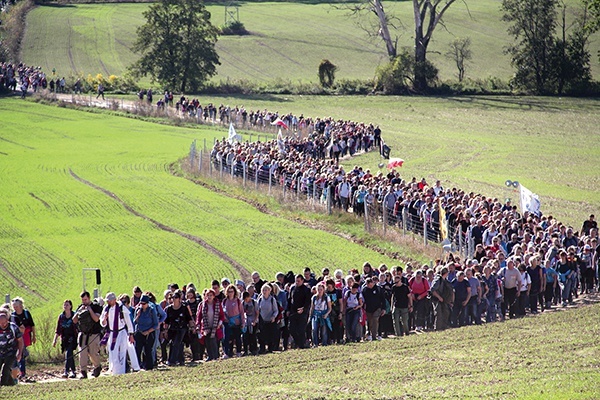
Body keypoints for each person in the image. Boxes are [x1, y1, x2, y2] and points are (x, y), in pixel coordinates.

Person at [100, 292, 135, 375]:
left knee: (122, 351)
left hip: (121, 332)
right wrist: (105, 318)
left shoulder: (121, 308)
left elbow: (128, 322)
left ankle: (121, 370)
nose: (108, 302)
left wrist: (131, 334)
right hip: (111, 332)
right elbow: (102, 323)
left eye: (109, 301)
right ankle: (114, 370)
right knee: (112, 351)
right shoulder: (106, 309)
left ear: (114, 300)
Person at [73, 291, 103, 379]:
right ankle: (83, 372)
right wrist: (79, 312)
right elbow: (74, 320)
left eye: (85, 299)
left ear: (89, 298)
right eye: (82, 300)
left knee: (93, 353)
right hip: (83, 334)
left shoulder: (96, 307)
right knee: (82, 354)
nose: (84, 301)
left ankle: (97, 366)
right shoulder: (80, 307)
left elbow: (97, 319)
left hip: (93, 334)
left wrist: (90, 310)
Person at [164, 291, 193, 366]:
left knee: (177, 343)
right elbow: (166, 321)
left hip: (182, 328)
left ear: (179, 299)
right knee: (173, 343)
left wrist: (193, 327)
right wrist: (165, 331)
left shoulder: (183, 308)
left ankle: (172, 361)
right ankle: (181, 360)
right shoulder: (169, 309)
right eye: (172, 297)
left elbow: (189, 318)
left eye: (176, 297)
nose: (174, 299)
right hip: (172, 328)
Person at [52, 300, 78, 378]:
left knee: (68, 353)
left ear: (70, 306)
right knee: (69, 354)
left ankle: (66, 371)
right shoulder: (61, 317)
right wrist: (55, 340)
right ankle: (73, 371)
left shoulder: (74, 315)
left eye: (67, 305)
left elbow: (78, 327)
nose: (65, 306)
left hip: (73, 337)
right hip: (64, 338)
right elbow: (58, 330)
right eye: (64, 305)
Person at [196, 289, 224, 361]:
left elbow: (221, 315)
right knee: (207, 341)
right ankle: (210, 356)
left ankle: (215, 356)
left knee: (213, 340)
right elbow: (199, 316)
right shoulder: (203, 305)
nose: (209, 297)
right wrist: (198, 325)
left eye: (211, 295)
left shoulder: (217, 304)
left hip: (215, 325)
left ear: (214, 296)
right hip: (206, 326)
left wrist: (219, 323)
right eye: (207, 295)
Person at [11, 297, 35, 380]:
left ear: (21, 306)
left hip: (25, 336)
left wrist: (34, 336)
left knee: (21, 353)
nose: (15, 308)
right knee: (19, 353)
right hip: (15, 337)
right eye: (13, 306)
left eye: (16, 306)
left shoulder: (26, 313)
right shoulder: (12, 315)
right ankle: (19, 372)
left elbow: (32, 325)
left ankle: (22, 372)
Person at [134, 295, 158, 370]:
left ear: (147, 303)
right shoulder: (138, 310)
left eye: (144, 304)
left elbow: (156, 324)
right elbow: (134, 322)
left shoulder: (152, 310)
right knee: (138, 350)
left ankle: (149, 366)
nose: (142, 305)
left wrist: (148, 331)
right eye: (141, 303)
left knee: (148, 350)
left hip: (149, 333)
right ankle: (137, 366)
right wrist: (138, 315)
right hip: (139, 332)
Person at [0, 309, 23, 386]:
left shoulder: (13, 327)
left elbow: (20, 340)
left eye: (5, 322)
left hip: (11, 352)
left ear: (7, 320)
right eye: (1, 323)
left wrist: (19, 353)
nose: (3, 324)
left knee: (6, 368)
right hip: (0, 352)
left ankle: (3, 385)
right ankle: (11, 384)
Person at [288, 274, 311, 349]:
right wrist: (288, 310)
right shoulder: (292, 288)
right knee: (292, 329)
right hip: (293, 312)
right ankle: (297, 343)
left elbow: (308, 302)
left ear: (302, 281)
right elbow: (289, 299)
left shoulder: (306, 289)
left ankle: (302, 345)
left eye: (298, 281)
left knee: (301, 330)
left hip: (302, 313)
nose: (297, 282)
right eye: (296, 281)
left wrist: (303, 309)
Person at [222, 285, 245, 358]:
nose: (230, 293)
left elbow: (241, 312)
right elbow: (222, 311)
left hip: (236, 322)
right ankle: (227, 353)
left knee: (237, 338)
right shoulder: (225, 301)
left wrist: (243, 322)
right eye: (229, 291)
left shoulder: (238, 301)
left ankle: (238, 352)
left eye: (232, 291)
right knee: (227, 338)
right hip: (227, 323)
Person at [430, 266, 454, 331]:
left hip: (444, 300)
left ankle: (444, 327)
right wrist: (439, 297)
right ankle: (438, 328)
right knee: (439, 313)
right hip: (436, 299)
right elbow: (432, 290)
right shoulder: (438, 280)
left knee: (446, 312)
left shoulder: (445, 280)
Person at [257, 284, 279, 353]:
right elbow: (257, 309)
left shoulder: (272, 299)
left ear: (269, 291)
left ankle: (270, 349)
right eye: (263, 290)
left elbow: (276, 310)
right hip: (262, 321)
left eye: (266, 290)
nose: (264, 291)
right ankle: (262, 348)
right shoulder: (260, 299)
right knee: (262, 335)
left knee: (270, 335)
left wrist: (273, 317)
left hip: (270, 321)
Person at [242, 291, 259, 356]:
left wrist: (255, 321)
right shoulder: (243, 303)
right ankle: (246, 350)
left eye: (247, 299)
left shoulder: (254, 303)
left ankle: (254, 349)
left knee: (253, 336)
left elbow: (257, 313)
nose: (246, 300)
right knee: (245, 336)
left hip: (253, 321)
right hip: (246, 322)